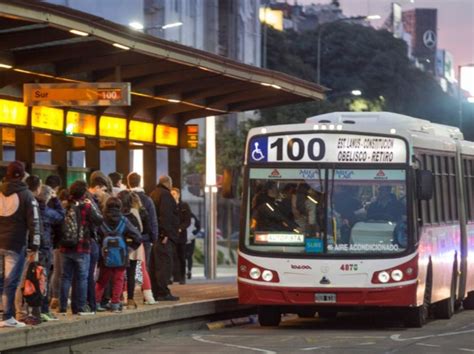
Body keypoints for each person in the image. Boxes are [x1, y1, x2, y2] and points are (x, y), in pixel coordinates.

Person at [0, 161, 41, 328]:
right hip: (15, 243)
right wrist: (35, 246)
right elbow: (35, 223)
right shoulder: (27, 195)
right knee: (11, 281)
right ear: (23, 175)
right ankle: (7, 316)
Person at [59, 180, 103, 315]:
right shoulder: (87, 206)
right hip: (82, 247)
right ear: (84, 192)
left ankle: (62, 307)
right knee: (82, 278)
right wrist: (92, 204)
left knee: (65, 277)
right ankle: (81, 306)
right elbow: (99, 220)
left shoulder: (65, 205)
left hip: (65, 247)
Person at [95, 197, 141, 313]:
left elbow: (95, 236)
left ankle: (96, 302)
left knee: (102, 280)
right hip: (121, 255)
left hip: (105, 256)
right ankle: (115, 304)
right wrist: (128, 249)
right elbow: (138, 237)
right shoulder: (124, 221)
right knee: (119, 279)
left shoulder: (101, 220)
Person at [15, 175, 43, 325]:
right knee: (26, 279)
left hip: (14, 244)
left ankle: (16, 312)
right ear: (37, 187)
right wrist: (35, 246)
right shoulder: (30, 200)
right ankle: (22, 313)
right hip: (27, 246)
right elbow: (35, 224)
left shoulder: (16, 198)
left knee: (16, 279)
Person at [149, 175, 180, 301]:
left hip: (155, 236)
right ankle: (163, 292)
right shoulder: (166, 195)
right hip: (163, 238)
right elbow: (166, 216)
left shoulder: (153, 194)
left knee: (155, 265)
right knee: (164, 265)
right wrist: (165, 234)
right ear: (168, 183)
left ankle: (155, 291)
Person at [37, 184, 64, 322]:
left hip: (30, 248)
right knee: (44, 279)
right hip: (45, 248)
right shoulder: (46, 211)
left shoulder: (32, 208)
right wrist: (56, 200)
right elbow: (61, 216)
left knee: (30, 280)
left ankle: (30, 310)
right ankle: (43, 310)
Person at [126, 172, 158, 270]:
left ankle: (130, 285)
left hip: (128, 238)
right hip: (145, 238)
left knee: (129, 266)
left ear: (128, 183)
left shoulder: (125, 198)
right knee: (141, 267)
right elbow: (153, 220)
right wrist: (153, 237)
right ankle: (139, 284)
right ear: (140, 182)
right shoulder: (147, 200)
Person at [170, 188, 191, 284]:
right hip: (172, 236)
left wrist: (180, 228)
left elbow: (187, 221)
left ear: (178, 195)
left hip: (181, 236)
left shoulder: (184, 206)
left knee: (181, 256)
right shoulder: (168, 206)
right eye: (171, 194)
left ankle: (182, 277)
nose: (172, 195)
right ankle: (173, 276)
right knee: (172, 256)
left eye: (174, 193)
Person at [185, 213, 200, 280]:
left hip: (187, 238)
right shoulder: (193, 216)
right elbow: (198, 227)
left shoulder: (192, 217)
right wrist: (193, 234)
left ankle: (188, 271)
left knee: (186, 256)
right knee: (189, 256)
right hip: (190, 238)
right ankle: (188, 271)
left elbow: (198, 227)